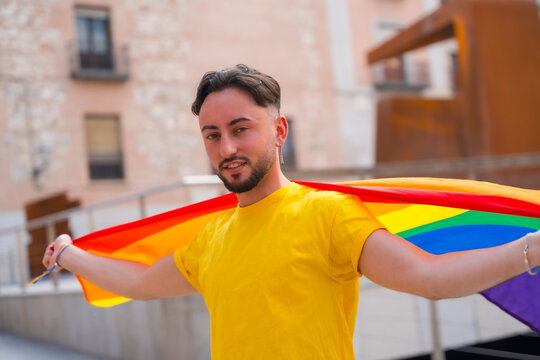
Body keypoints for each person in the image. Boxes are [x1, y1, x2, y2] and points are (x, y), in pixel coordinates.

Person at [43, 64, 540, 359]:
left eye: (242, 128)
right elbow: (138, 282)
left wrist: (530, 249)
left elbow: (426, 276)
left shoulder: (328, 213)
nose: (226, 147)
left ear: (280, 132)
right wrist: (69, 254)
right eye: (212, 135)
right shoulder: (211, 238)